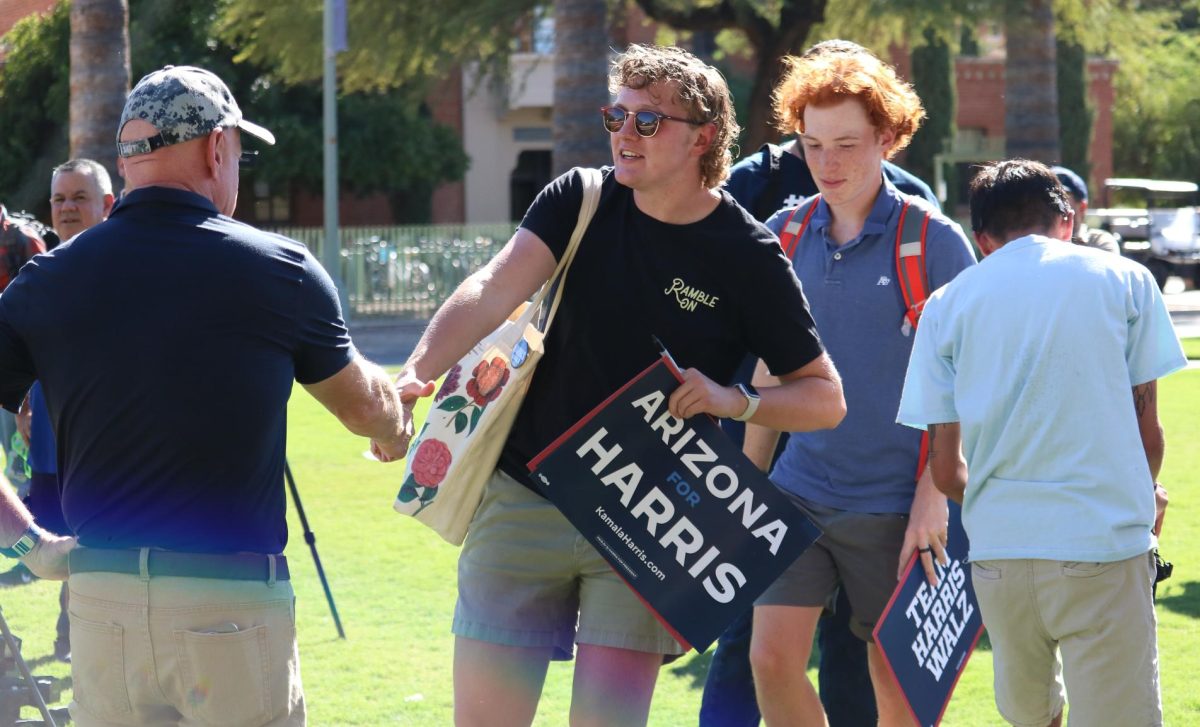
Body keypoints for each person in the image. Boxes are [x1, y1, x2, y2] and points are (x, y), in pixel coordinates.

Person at [395, 44, 846, 727]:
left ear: (702, 136)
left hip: (646, 524)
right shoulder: (580, 198)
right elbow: (492, 286)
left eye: (646, 121)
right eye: (616, 116)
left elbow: (823, 396)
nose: (622, 134)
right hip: (522, 498)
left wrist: (737, 401)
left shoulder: (749, 254)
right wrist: (418, 370)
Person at [0, 64, 413, 726]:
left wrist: (28, 543)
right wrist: (397, 424)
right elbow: (364, 407)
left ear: (127, 160)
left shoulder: (46, 279)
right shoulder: (278, 270)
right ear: (217, 147)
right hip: (231, 607)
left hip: (101, 610)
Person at [702, 38, 942, 727]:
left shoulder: (932, 236)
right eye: (813, 145)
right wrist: (747, 490)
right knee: (764, 658)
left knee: (886, 678)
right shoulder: (778, 227)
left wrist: (933, 497)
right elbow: (770, 368)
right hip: (796, 492)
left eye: (847, 144)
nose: (827, 165)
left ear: (887, 138)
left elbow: (966, 385)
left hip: (892, 503)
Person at [898, 158, 1185, 727]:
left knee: (1032, 717)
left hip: (1000, 556)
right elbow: (1147, 434)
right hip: (1101, 542)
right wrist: (1142, 492)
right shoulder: (1124, 279)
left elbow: (946, 471)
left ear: (982, 239)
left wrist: (1005, 504)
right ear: (1068, 220)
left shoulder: (946, 305)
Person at [9, 157, 118, 661]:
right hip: (52, 432)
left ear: (107, 204)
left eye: (79, 197)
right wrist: (25, 406)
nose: (68, 208)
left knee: (101, 528)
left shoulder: (124, 270)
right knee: (62, 535)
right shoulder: (42, 273)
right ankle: (71, 632)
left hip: (107, 432)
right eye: (59, 198)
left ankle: (87, 635)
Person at [0, 204, 47, 492]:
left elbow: (43, 321)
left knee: (25, 456)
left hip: (22, 372)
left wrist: (25, 404)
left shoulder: (24, 241)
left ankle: (29, 525)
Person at [1051, 165, 1120, 254]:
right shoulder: (1032, 239)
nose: (1051, 204)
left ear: (1081, 207)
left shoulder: (1098, 242)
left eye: (1060, 197)